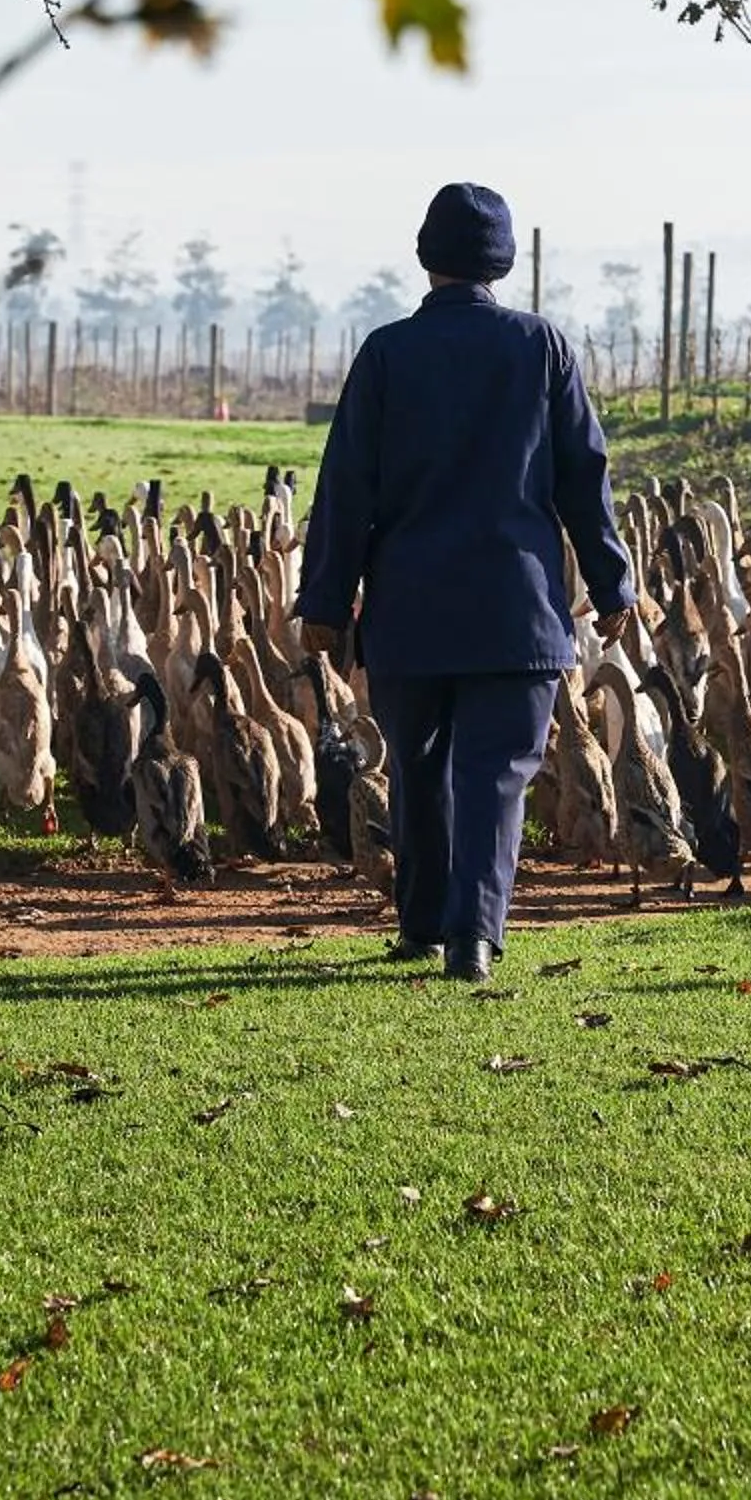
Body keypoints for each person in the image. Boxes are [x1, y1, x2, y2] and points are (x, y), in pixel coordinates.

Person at [294, 183, 634, 983]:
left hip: (410, 612)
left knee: (416, 766)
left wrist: (325, 602)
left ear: (426, 256)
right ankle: (473, 938)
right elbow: (585, 478)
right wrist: (614, 584)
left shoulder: (385, 354)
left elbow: (345, 488)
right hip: (517, 613)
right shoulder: (542, 348)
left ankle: (421, 923)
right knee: (495, 775)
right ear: (502, 262)